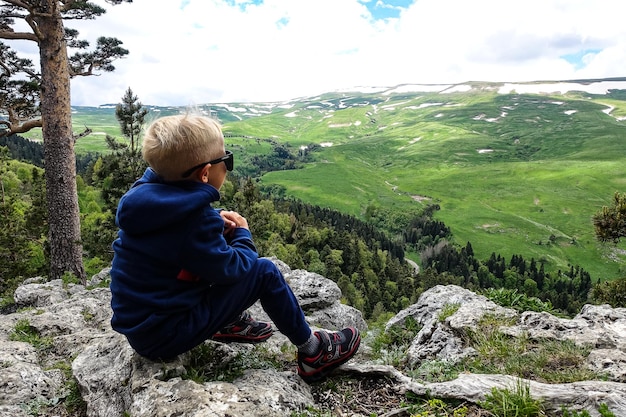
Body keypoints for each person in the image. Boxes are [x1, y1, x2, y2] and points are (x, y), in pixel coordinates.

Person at [109, 113, 360, 382]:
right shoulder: (195, 223)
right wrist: (243, 233)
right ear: (205, 173)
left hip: (146, 327)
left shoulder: (141, 200)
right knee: (264, 271)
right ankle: (314, 352)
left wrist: (214, 221)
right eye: (225, 159)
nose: (228, 165)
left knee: (214, 246)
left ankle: (226, 320)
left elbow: (177, 241)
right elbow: (235, 269)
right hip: (166, 335)